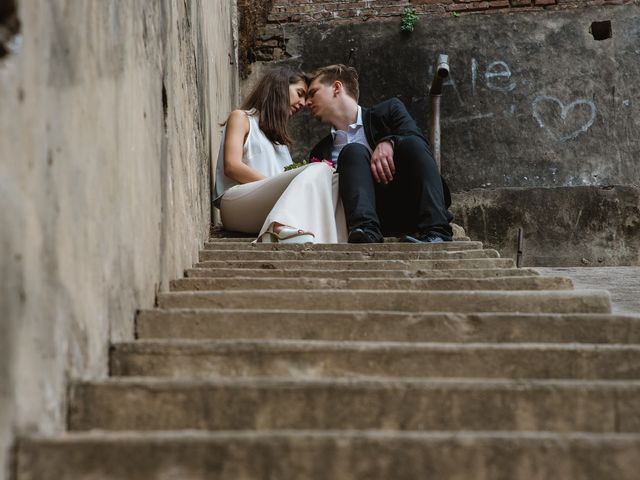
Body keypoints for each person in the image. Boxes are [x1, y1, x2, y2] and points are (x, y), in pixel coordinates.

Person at [305, 64, 453, 244]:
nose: (307, 103)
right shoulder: (320, 151)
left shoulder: (389, 111)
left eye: (313, 93)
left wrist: (389, 142)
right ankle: (366, 232)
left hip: (410, 205)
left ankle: (437, 232)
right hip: (360, 220)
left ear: (336, 87)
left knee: (412, 143)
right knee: (353, 151)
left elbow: (420, 146)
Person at [214, 66, 347, 243]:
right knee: (320, 168)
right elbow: (232, 166)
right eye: (299, 93)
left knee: (335, 179)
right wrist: (279, 185)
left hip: (268, 208)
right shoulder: (242, 118)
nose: (302, 103)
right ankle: (277, 228)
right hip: (235, 205)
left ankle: (333, 240)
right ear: (280, 86)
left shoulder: (280, 145)